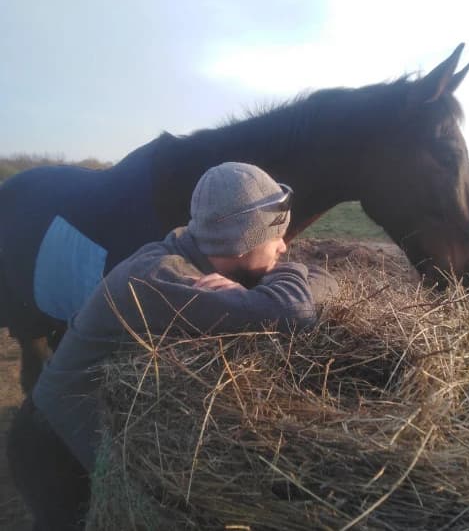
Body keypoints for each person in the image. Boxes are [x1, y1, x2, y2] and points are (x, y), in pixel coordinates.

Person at [7, 162, 339, 530]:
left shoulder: (202, 255)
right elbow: (295, 311)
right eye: (276, 235)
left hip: (99, 426)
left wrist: (277, 280)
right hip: (54, 447)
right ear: (242, 242)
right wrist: (280, 285)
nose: (284, 246)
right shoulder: (166, 278)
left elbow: (326, 284)